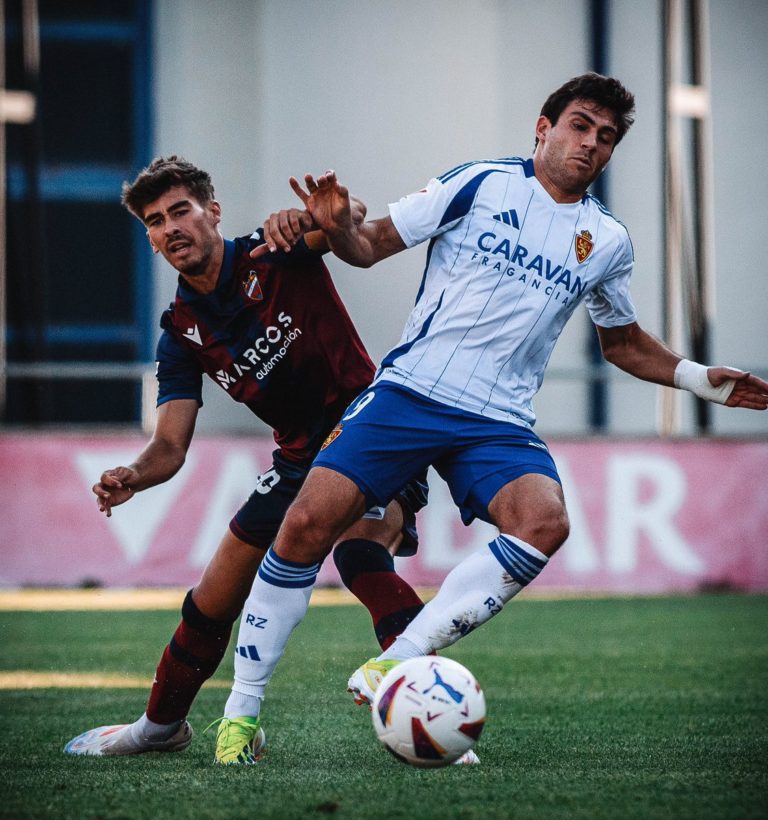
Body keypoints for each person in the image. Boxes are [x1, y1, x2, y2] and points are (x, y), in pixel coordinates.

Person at [214, 72, 768, 758]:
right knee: (303, 525)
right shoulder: (480, 182)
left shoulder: (607, 240)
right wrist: (337, 226)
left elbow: (620, 342)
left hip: (497, 420)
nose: (590, 144)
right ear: (544, 126)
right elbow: (372, 244)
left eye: (606, 137)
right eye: (579, 125)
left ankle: (401, 656)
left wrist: (698, 380)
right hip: (410, 393)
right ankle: (240, 715)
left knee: (546, 520)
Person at [62, 156, 433, 764]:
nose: (170, 228)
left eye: (180, 210)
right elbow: (169, 447)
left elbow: (350, 223)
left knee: (361, 549)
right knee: (212, 598)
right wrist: (134, 474)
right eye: (155, 222)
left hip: (370, 430)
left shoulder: (276, 246)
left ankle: (429, 718)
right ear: (151, 240)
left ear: (212, 212)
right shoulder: (180, 332)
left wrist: (332, 214)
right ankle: (159, 727)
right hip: (296, 460)